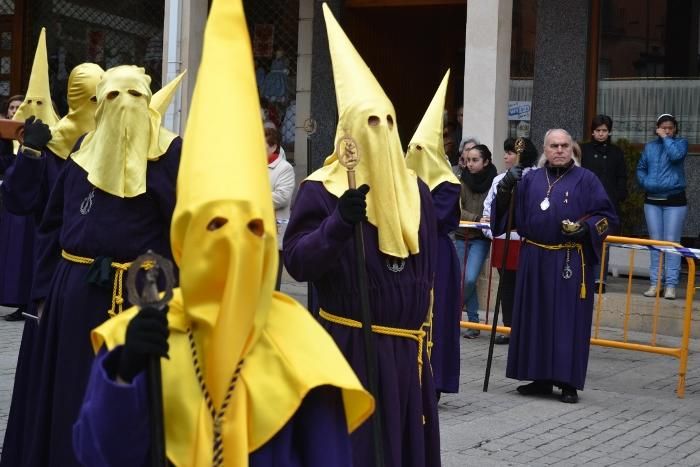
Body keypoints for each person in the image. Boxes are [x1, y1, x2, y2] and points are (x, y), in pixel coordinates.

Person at [72, 2, 373, 463]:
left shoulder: (303, 350)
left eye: (253, 227)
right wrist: (126, 373)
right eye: (215, 225)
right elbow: (98, 453)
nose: (234, 242)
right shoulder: (137, 336)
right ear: (185, 238)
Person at [283, 5, 440, 466]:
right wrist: (338, 225)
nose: (382, 132)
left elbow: (426, 268)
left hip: (408, 352)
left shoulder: (418, 193)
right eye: (371, 123)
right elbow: (297, 262)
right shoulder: (322, 189)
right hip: (351, 346)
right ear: (347, 133)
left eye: (389, 121)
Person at [19, 65, 182, 467]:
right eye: (113, 96)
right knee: (73, 388)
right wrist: (42, 294)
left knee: (136, 392)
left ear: (148, 101)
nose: (125, 105)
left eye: (135, 96)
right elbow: (51, 226)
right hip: (74, 295)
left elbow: (185, 231)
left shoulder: (171, 153)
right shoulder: (82, 153)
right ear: (101, 103)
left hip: (144, 295)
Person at [0, 62, 103, 467]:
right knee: (51, 375)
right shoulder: (51, 144)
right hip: (53, 277)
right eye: (95, 97)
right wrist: (29, 152)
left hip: (100, 283)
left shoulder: (118, 143)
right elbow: (18, 200)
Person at [492, 129, 618, 403]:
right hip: (534, 258)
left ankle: (567, 381)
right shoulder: (531, 179)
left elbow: (607, 217)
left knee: (566, 320)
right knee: (535, 318)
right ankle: (539, 378)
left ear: (571, 149)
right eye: (554, 146)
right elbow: (506, 216)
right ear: (545, 151)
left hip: (569, 260)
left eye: (564, 146)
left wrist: (585, 229)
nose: (559, 150)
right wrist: (505, 189)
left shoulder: (587, 180)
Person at [405, 70, 461, 397]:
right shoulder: (400, 180)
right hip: (411, 254)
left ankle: (435, 380)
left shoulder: (447, 185)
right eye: (412, 148)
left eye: (422, 150)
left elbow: (433, 219)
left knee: (436, 318)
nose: (415, 156)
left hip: (437, 256)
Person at [482, 137, 538, 345]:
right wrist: (494, 233)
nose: (506, 156)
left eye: (511, 152)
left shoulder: (536, 178)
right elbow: (488, 211)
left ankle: (528, 329)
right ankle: (508, 327)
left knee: (529, 286)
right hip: (505, 240)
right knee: (507, 286)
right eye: (505, 152)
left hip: (529, 241)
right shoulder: (499, 180)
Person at [637, 113, 688, 300]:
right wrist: (646, 183)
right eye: (663, 127)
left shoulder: (681, 143)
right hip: (652, 200)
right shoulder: (649, 147)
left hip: (674, 200)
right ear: (657, 128)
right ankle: (655, 283)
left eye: (670, 128)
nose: (667, 130)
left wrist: (666, 138)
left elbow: (675, 156)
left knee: (671, 243)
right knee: (656, 242)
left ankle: (671, 285)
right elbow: (641, 167)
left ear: (675, 129)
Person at [581, 114, 627, 293]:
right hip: (586, 204)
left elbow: (622, 176)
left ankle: (600, 280)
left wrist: (618, 195)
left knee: (603, 240)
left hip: (607, 206)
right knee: (585, 238)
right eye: (598, 130)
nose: (601, 134)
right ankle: (585, 276)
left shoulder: (616, 152)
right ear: (592, 132)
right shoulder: (583, 150)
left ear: (609, 132)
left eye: (604, 131)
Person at [456, 144, 497, 339]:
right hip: (461, 235)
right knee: (463, 277)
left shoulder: (495, 181)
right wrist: (477, 219)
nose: (469, 164)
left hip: (480, 238)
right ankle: (472, 323)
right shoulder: (459, 180)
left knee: (469, 278)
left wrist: (486, 219)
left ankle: (451, 313)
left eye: (474, 160)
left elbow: (495, 207)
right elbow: (456, 209)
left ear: (486, 161)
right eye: (467, 160)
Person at [265, 126, 295, 290]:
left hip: (273, 233)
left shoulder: (284, 168)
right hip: (252, 234)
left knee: (270, 285)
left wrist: (252, 196)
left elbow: (282, 197)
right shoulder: (252, 165)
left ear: (274, 146)